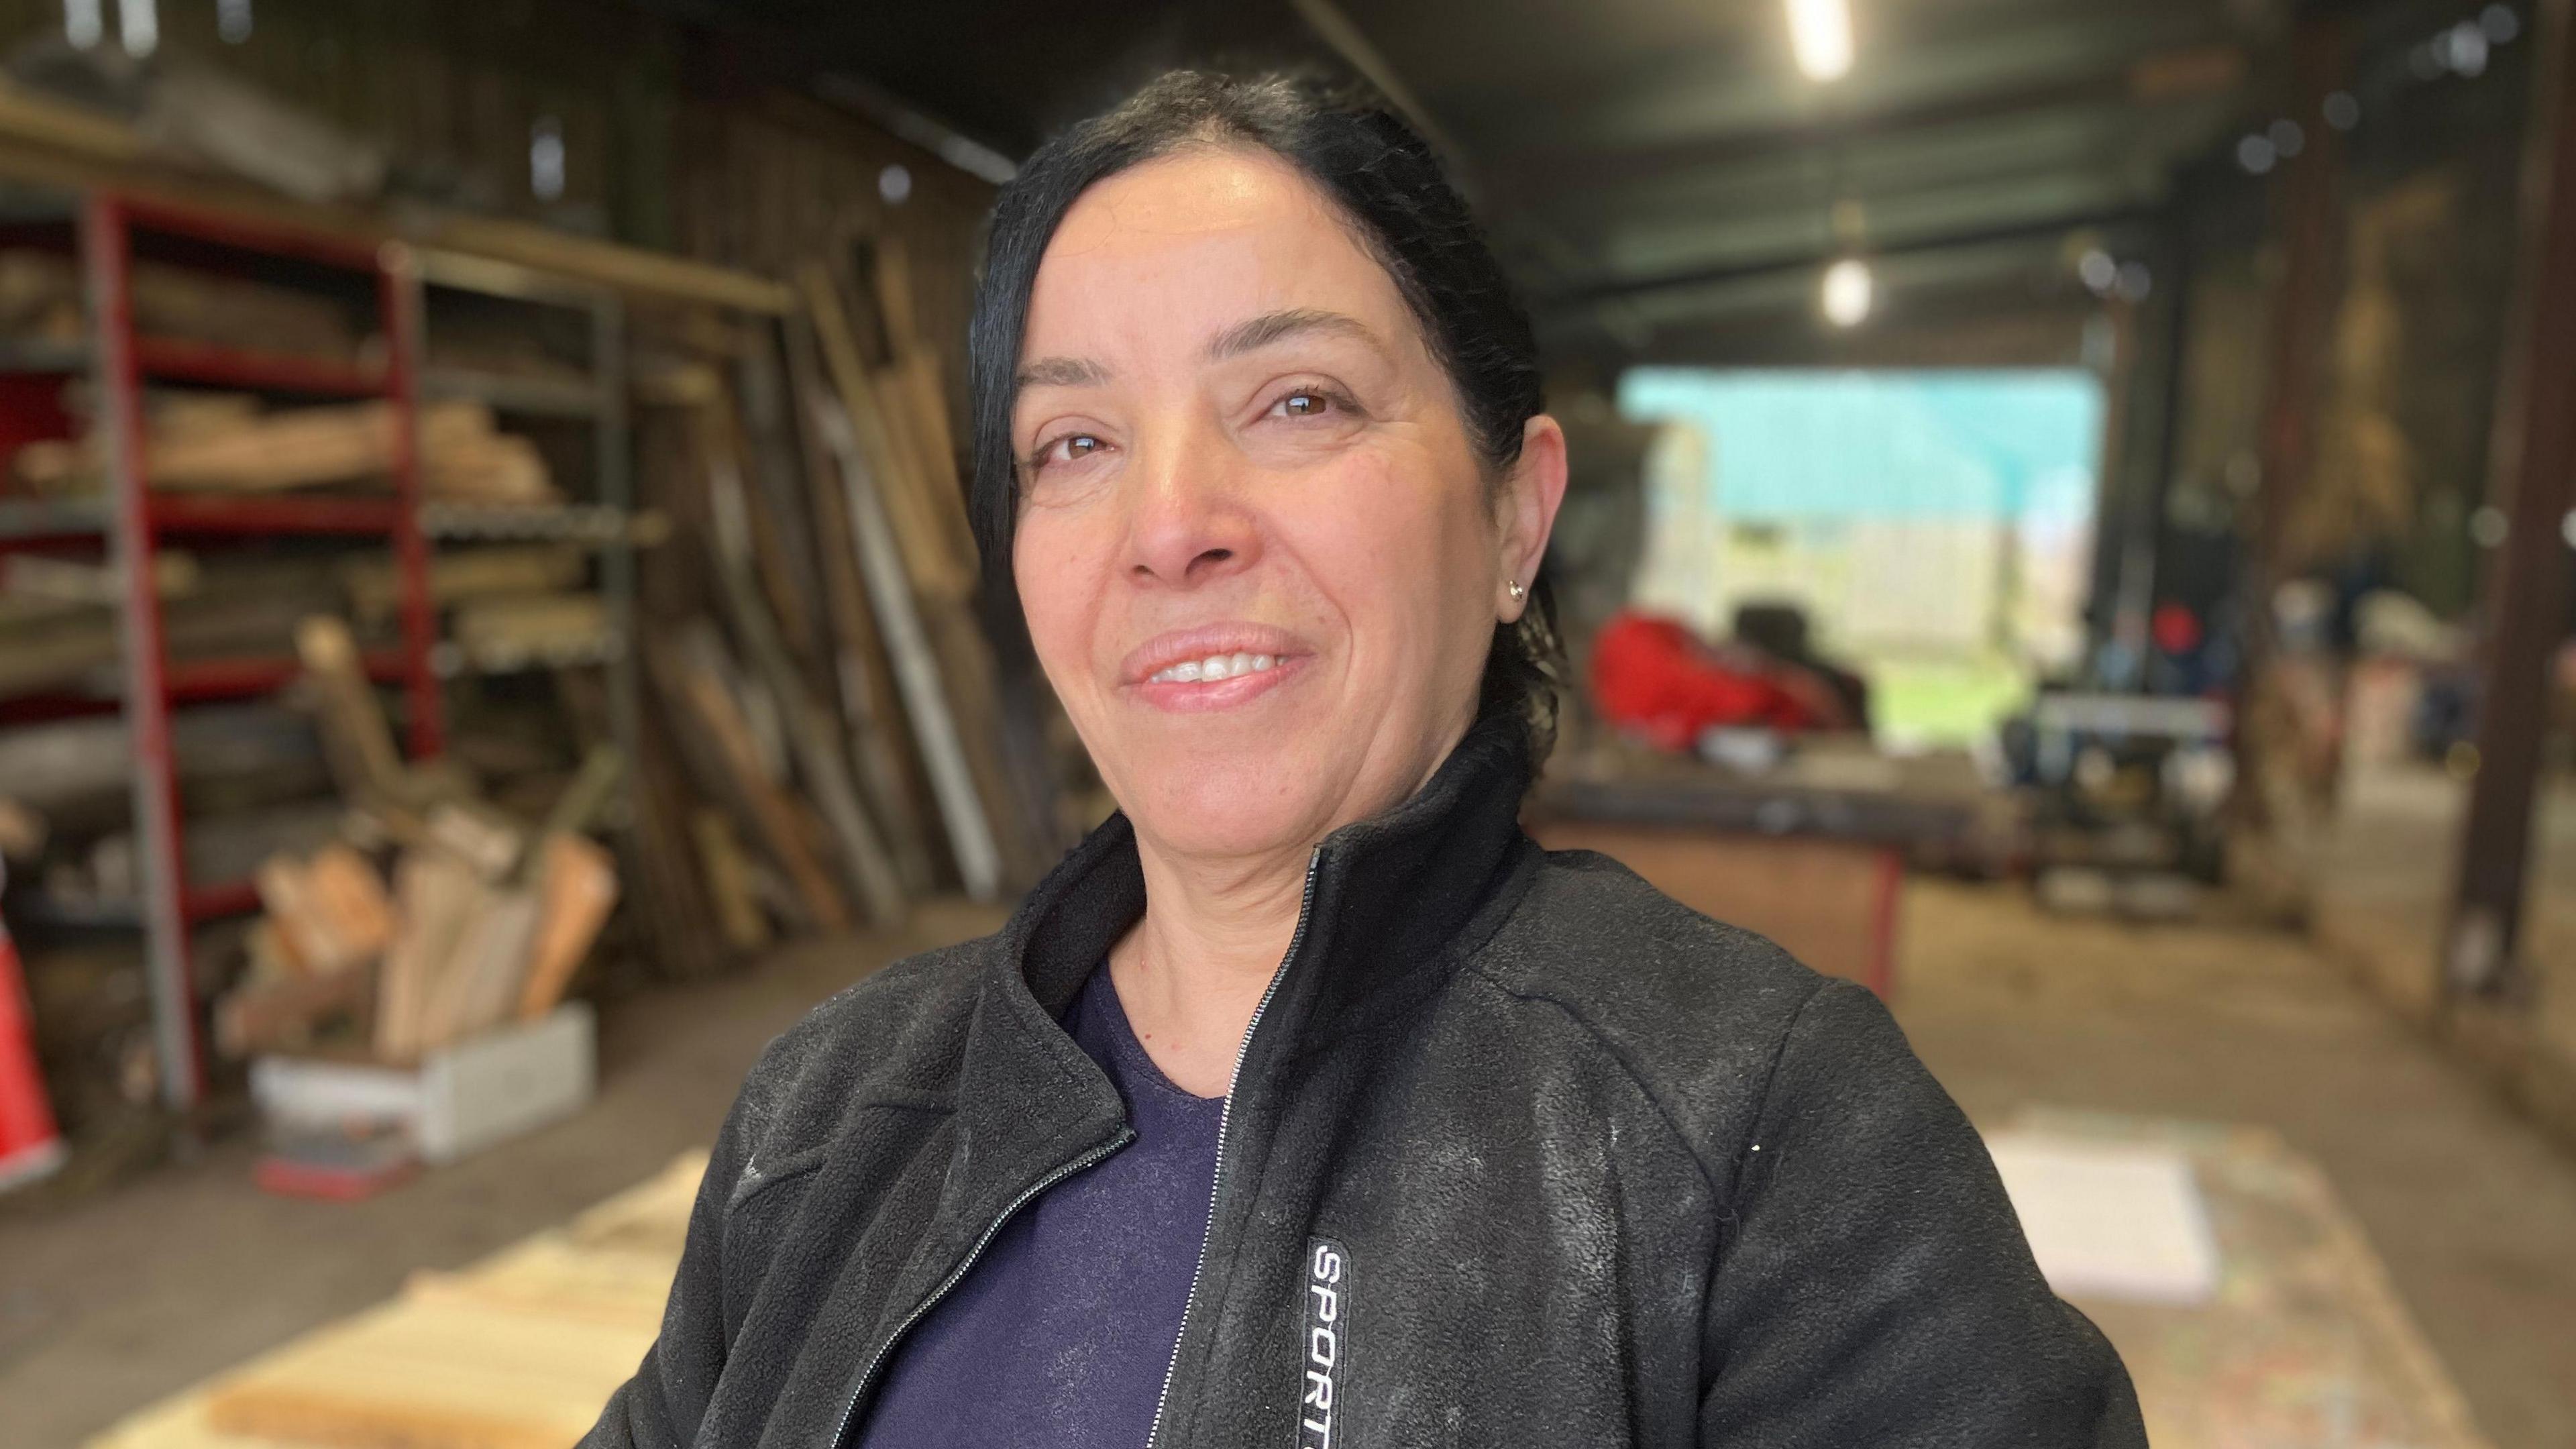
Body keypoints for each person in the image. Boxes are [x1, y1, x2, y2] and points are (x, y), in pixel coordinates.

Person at [584, 70, 2144, 1448]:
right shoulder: (833, 1115)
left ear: (1516, 516)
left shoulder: (1766, 1141)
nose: (1170, 524)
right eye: (1075, 442)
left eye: (1299, 400)